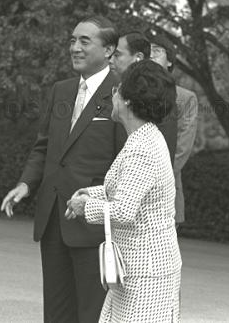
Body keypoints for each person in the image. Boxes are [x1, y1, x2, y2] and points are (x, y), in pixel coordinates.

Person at [1, 16, 127, 323]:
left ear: (109, 50)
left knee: (92, 314)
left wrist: (96, 204)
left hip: (95, 226)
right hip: (53, 220)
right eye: (72, 40)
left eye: (85, 41)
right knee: (56, 313)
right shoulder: (61, 90)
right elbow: (44, 147)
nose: (75, 48)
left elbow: (124, 163)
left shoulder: (122, 94)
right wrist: (26, 184)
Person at [66, 59, 182, 323]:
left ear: (128, 100)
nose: (113, 94)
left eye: (118, 89)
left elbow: (124, 210)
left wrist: (85, 207)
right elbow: (123, 190)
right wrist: (88, 193)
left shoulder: (141, 147)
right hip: (139, 267)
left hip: (146, 271)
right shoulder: (146, 137)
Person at [149, 34, 198, 225]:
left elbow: (182, 149)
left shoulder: (185, 98)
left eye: (157, 51)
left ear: (170, 61)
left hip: (165, 193)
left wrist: (151, 178)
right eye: (147, 51)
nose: (150, 55)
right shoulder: (125, 93)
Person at [108, 31, 177, 162]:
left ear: (138, 57)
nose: (111, 60)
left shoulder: (158, 93)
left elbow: (164, 153)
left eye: (117, 55)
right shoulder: (115, 89)